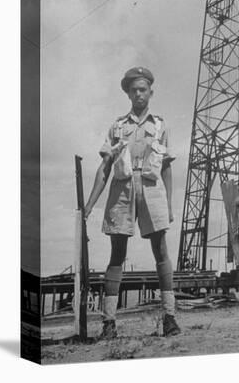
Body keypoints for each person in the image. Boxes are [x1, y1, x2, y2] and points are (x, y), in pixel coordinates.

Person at [84, 66, 181, 338]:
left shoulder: (160, 126)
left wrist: (170, 206)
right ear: (128, 94)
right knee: (117, 253)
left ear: (151, 92)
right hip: (122, 191)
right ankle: (109, 324)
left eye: (143, 89)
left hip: (152, 191)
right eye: (133, 90)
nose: (139, 94)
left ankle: (170, 318)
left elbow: (166, 169)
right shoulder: (117, 127)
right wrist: (90, 204)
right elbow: (104, 168)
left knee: (160, 250)